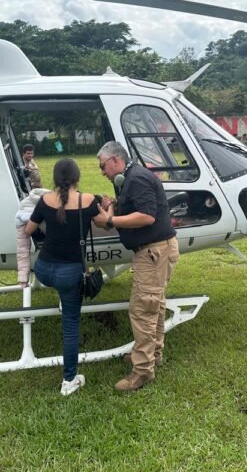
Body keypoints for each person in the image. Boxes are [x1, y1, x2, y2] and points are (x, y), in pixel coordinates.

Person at [96, 141, 179, 392]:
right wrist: (112, 206)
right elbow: (135, 208)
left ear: (115, 160)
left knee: (142, 310)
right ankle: (154, 354)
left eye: (102, 166)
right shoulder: (129, 177)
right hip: (157, 251)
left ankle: (142, 371)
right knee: (155, 305)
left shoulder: (137, 179)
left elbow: (147, 216)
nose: (102, 172)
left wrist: (110, 219)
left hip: (153, 252)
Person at [24, 159, 106, 395]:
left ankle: (64, 297)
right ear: (78, 177)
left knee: (65, 291)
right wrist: (108, 207)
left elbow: (29, 229)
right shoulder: (87, 200)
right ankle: (69, 380)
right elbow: (105, 224)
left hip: (43, 269)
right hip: (68, 273)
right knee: (71, 326)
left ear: (55, 178)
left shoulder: (45, 199)